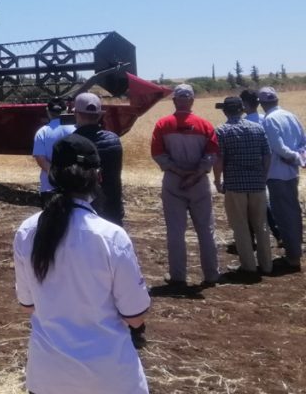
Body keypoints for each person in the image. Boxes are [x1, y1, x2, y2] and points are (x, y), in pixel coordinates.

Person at [14, 134, 151, 394]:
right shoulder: (111, 236)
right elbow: (135, 316)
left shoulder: (27, 231)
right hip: (110, 377)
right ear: (98, 177)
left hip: (47, 377)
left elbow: (27, 305)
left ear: (52, 174)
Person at [150, 84, 220, 287]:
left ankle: (178, 276)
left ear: (174, 101)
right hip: (199, 182)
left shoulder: (163, 124)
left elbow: (158, 154)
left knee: (175, 230)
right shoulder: (205, 125)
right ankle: (211, 274)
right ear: (191, 101)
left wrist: (179, 172)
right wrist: (196, 174)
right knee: (206, 229)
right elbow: (211, 155)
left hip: (173, 180)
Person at [212, 96, 271, 277]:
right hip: (257, 183)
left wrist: (217, 180)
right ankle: (267, 265)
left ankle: (249, 265)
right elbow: (267, 155)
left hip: (235, 184)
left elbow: (219, 160)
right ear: (242, 110)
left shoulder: (222, 131)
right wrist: (263, 176)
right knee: (261, 224)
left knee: (240, 225)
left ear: (225, 111)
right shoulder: (257, 128)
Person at [259, 86, 305, 272]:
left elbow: (277, 147)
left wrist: (293, 156)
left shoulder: (269, 120)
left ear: (262, 103)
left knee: (284, 215)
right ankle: (295, 251)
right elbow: (303, 141)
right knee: (293, 211)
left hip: (277, 173)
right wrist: (300, 158)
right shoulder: (291, 116)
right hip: (292, 173)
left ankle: (293, 257)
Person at [71, 93, 125, 226]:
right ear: (100, 115)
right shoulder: (114, 140)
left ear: (76, 114)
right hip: (111, 208)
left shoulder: (70, 143)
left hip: (83, 213)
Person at [242, 88, 282, 245]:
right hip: (270, 166)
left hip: (252, 169)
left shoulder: (245, 123)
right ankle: (278, 234)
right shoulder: (266, 118)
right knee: (266, 202)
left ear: (244, 104)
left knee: (249, 206)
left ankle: (252, 239)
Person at [32, 97, 75, 207]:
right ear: (65, 110)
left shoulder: (42, 132)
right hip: (74, 186)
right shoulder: (76, 129)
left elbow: (41, 160)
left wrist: (56, 175)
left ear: (48, 111)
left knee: (51, 222)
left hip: (49, 187)